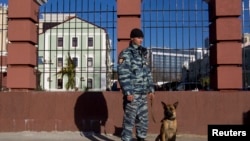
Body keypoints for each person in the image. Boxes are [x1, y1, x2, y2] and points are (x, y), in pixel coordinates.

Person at [117, 28, 155, 141]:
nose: (141, 40)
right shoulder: (126, 54)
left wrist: (151, 89)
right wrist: (128, 92)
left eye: (142, 38)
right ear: (132, 38)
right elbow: (123, 74)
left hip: (143, 94)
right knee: (129, 122)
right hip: (132, 95)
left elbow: (148, 73)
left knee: (143, 121)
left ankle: (141, 139)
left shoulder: (142, 54)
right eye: (138, 38)